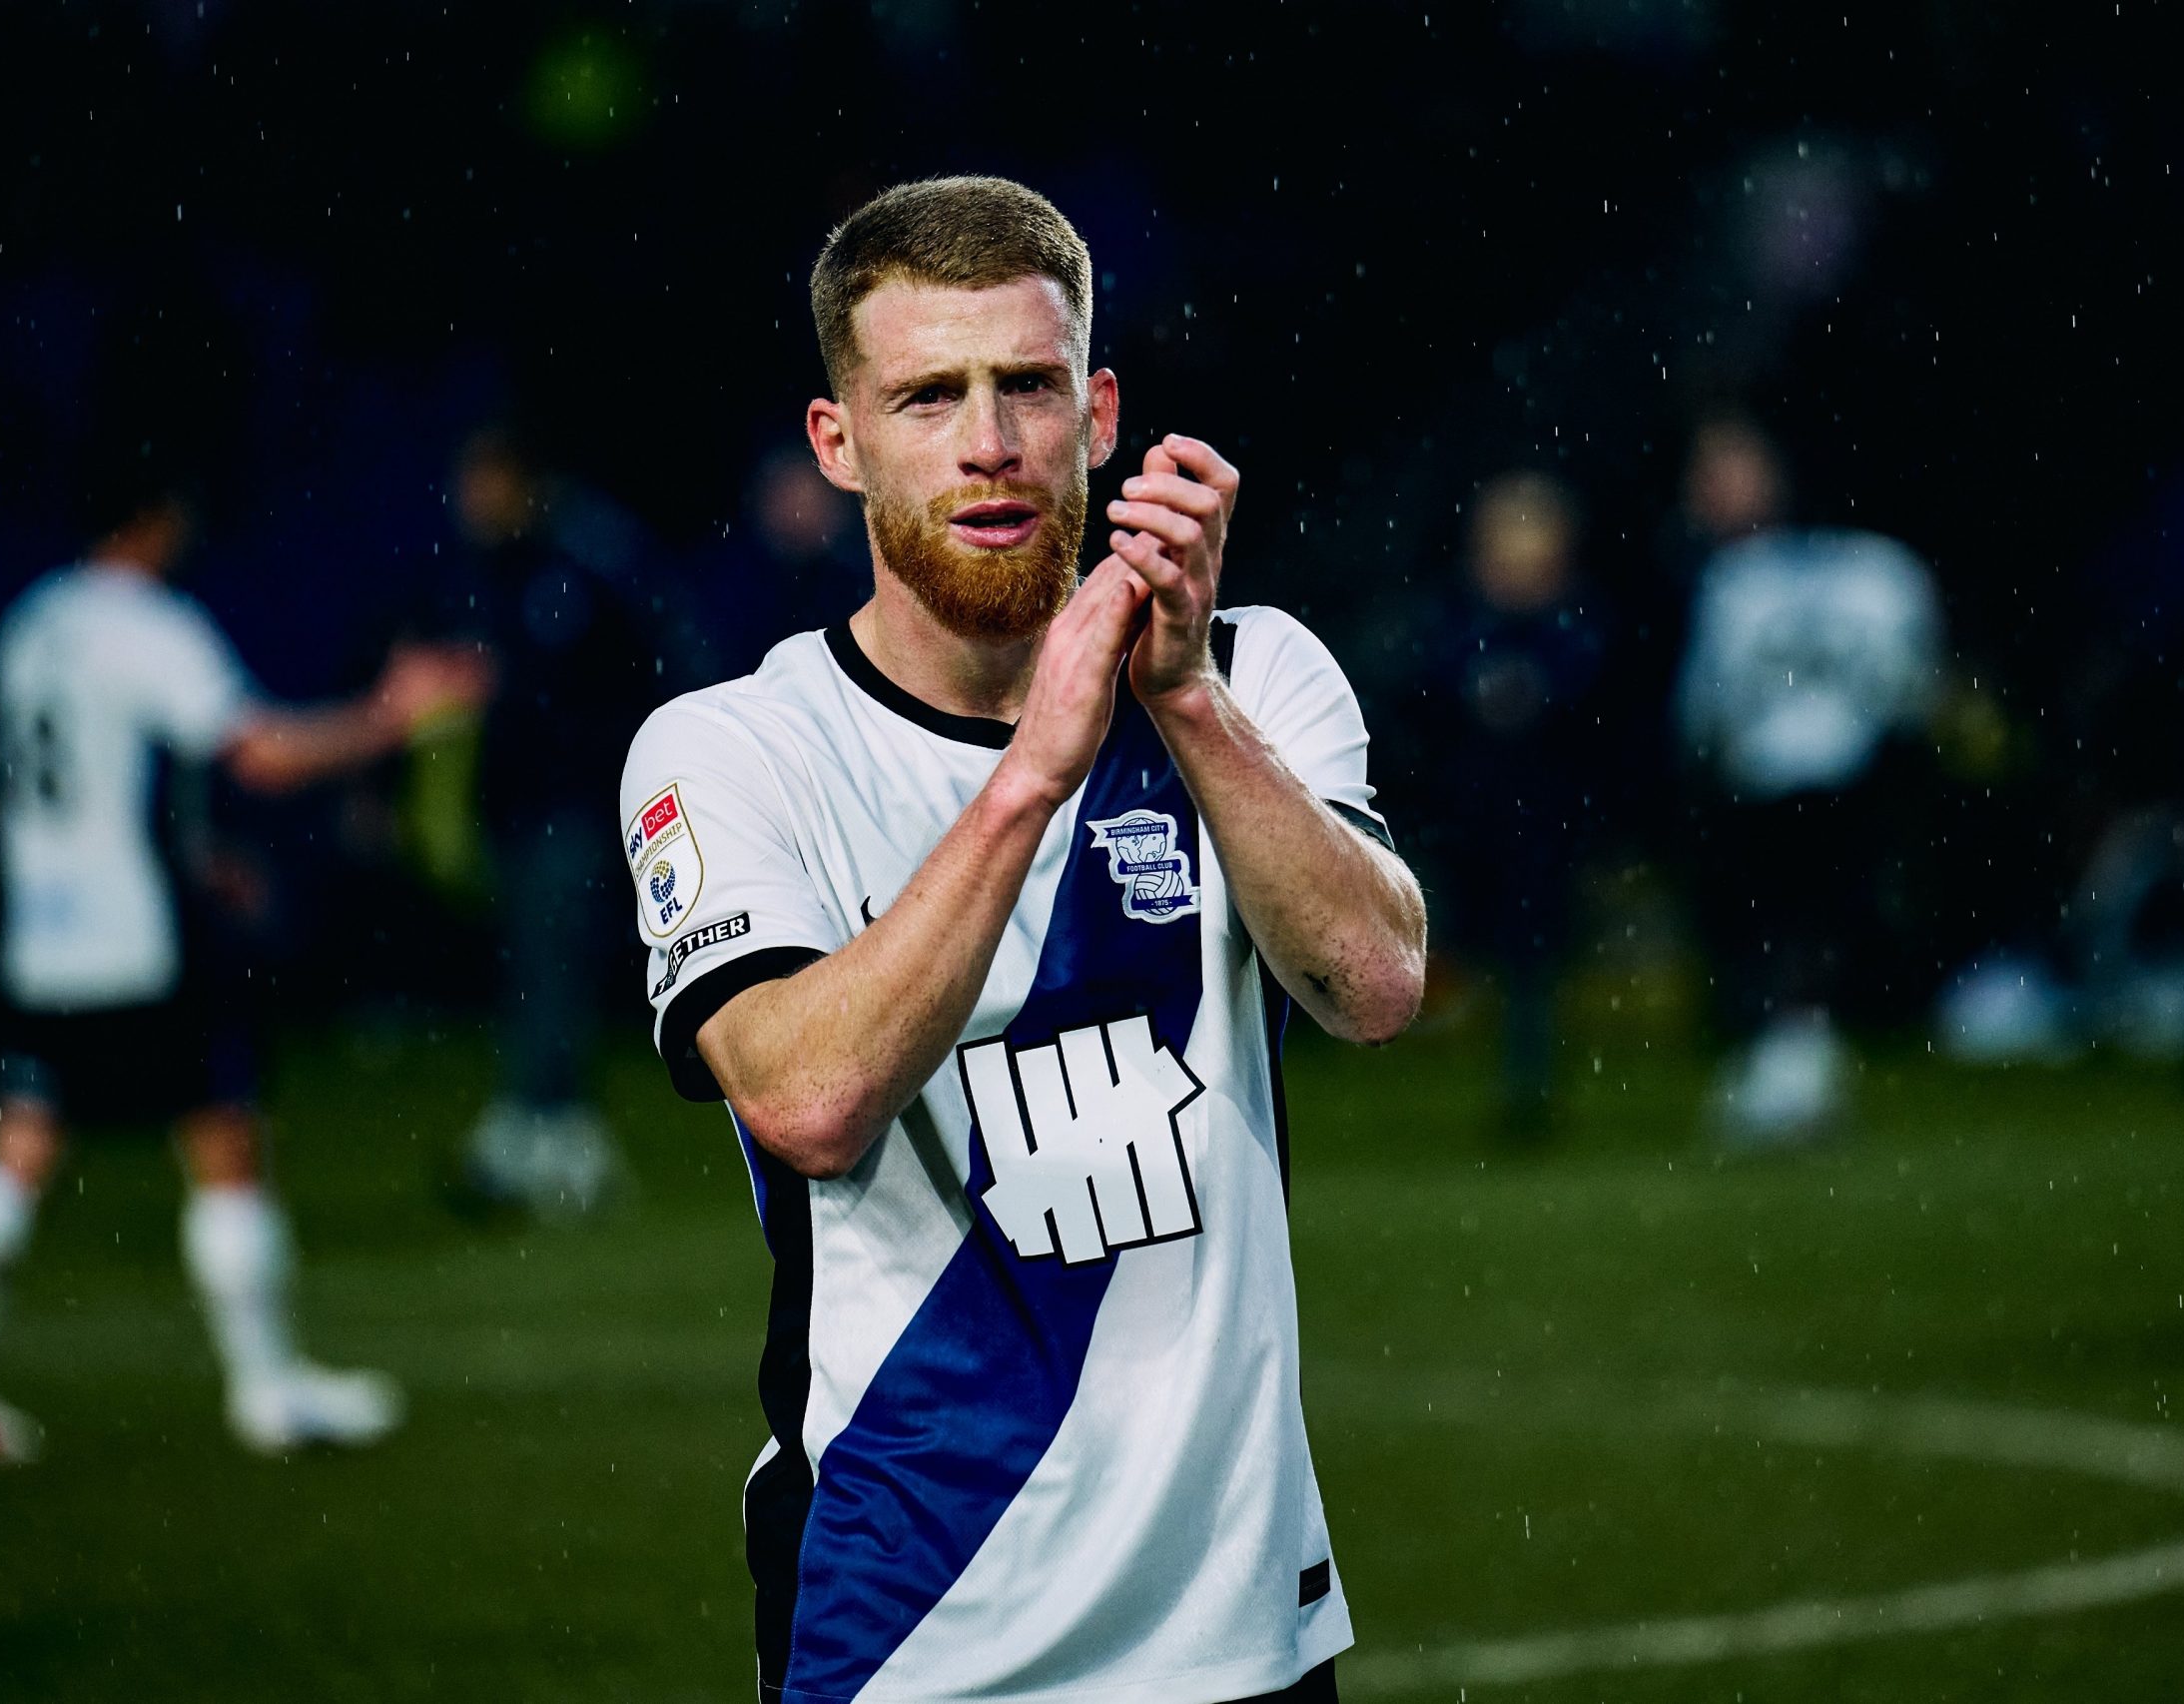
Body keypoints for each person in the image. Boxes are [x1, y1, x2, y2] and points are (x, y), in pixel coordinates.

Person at [617, 178, 1425, 1702]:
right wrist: (1033, 774)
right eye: (928, 396)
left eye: (1029, 387)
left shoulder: (1250, 672)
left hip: (1238, 1612)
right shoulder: (733, 746)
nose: (988, 442)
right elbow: (805, 1099)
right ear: (838, 443)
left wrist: (1182, 703)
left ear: (1099, 414)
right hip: (914, 1622)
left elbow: (1377, 986)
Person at [0, 467, 483, 1461]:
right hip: (137, 938)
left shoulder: (35, 621)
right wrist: (389, 715)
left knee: (22, 1137)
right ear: (154, 520)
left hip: (43, 933)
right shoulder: (148, 625)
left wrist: (195, 851)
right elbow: (257, 752)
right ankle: (268, 1390)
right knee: (225, 1133)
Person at [1673, 426, 1943, 1144]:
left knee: (1781, 925)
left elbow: (1707, 703)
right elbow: (1914, 688)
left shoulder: (1742, 580)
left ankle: (1790, 1059)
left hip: (1770, 778)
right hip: (1852, 772)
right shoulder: (1885, 571)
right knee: (1817, 926)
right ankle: (1798, 1055)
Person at [442, 426, 657, 1220]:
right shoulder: (511, 567)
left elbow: (615, 684)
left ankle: (560, 1141)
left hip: (571, 810)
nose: (470, 501)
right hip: (527, 811)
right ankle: (535, 1125)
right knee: (535, 968)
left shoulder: (576, 565)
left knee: (556, 967)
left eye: (484, 482)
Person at [1426, 470, 1608, 1135]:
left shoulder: (1575, 622)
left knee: (1532, 954)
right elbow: (1429, 693)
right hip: (1470, 813)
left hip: (1545, 818)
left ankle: (1527, 1081)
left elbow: (1592, 704)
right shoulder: (1458, 619)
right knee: (1469, 934)